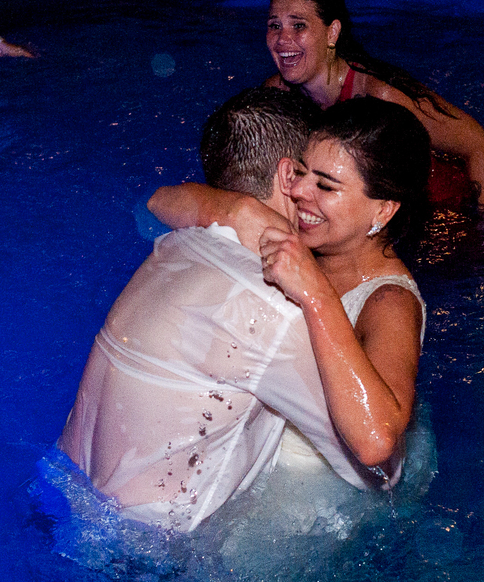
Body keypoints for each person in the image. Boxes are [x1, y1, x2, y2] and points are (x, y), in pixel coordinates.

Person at [56, 88, 393, 533]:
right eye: (309, 175)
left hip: (57, 497)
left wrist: (236, 208)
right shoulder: (271, 308)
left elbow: (150, 204)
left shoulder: (172, 246)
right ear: (287, 175)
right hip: (143, 563)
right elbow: (370, 465)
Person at [149, 96, 431, 488]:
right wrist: (244, 212)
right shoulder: (304, 243)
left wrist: (316, 294)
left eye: (325, 185)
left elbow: (376, 442)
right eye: (301, 173)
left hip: (313, 510)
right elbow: (158, 202)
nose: (299, 192)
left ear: (383, 211)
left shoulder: (389, 303)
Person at [263, 0, 484, 208]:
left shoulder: (380, 94)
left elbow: (477, 144)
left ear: (332, 32)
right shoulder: (275, 94)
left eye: (298, 25)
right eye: (275, 25)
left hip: (442, 200)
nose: (282, 39)